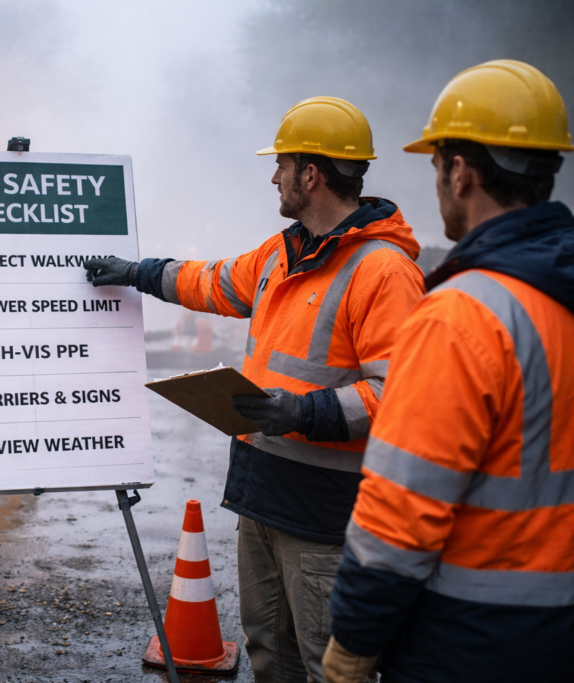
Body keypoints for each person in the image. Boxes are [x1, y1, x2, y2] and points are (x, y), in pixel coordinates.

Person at [85, 97, 425, 682]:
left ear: (310, 175)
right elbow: (210, 281)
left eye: (281, 166)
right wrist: (137, 273)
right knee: (270, 656)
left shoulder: (384, 272)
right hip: (262, 494)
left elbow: (400, 393)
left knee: (328, 667)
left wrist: (303, 411)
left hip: (325, 517)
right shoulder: (281, 254)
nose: (274, 178)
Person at [323, 60, 574, 683]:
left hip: (473, 640)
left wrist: (352, 643)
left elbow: (402, 510)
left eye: (436, 164)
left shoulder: (463, 315)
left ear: (460, 172)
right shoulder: (556, 290)